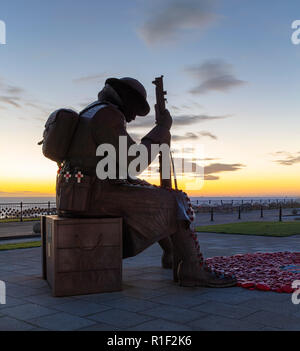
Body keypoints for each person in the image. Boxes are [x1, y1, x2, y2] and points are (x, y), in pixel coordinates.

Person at [56, 77, 236, 287]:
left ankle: (171, 254)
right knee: (175, 200)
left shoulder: (91, 111)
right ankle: (191, 268)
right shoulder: (107, 115)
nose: (132, 117)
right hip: (95, 197)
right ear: (125, 99)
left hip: (78, 195)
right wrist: (161, 130)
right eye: (135, 109)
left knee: (157, 193)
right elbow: (134, 161)